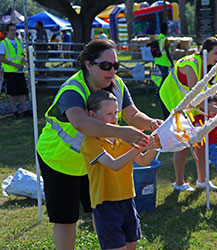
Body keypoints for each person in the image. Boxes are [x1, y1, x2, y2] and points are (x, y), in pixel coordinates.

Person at [36, 39, 162, 249]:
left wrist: (151, 123)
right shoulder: (72, 90)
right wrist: (123, 132)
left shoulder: (118, 85)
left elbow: (132, 114)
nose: (112, 70)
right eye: (105, 66)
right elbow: (81, 123)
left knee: (101, 209)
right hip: (59, 161)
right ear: (88, 64)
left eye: (115, 66)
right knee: (66, 220)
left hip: (97, 160)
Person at [81, 90, 160, 250]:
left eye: (116, 112)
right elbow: (114, 165)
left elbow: (144, 161)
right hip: (105, 203)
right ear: (92, 115)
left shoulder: (123, 135)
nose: (114, 117)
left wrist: (156, 146)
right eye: (109, 113)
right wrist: (139, 148)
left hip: (127, 199)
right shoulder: (91, 141)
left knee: (131, 245)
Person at [159, 37, 217, 191]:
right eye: (216, 53)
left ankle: (202, 180)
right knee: (182, 143)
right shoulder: (192, 64)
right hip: (172, 100)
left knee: (201, 139)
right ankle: (179, 183)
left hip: (193, 105)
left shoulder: (213, 69)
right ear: (205, 52)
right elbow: (195, 98)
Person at [0, 23, 32, 119]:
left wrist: (23, 59)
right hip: (9, 71)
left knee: (21, 92)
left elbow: (21, 54)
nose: (14, 32)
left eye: (15, 30)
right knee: (12, 93)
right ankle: (15, 111)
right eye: (12, 30)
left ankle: (25, 110)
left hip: (19, 71)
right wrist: (14, 65)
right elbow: (1, 58)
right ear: (7, 31)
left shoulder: (19, 42)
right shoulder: (3, 43)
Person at [155, 22, 174, 119]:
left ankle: (159, 92)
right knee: (164, 77)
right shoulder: (165, 39)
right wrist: (172, 62)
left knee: (163, 77)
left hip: (157, 59)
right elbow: (167, 51)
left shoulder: (158, 37)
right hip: (164, 61)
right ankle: (159, 92)